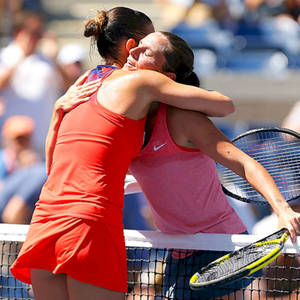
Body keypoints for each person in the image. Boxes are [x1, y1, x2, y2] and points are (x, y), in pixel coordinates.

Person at [10, 7, 235, 300]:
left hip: (45, 221)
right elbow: (224, 105)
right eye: (151, 40)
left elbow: (54, 169)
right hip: (88, 225)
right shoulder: (143, 81)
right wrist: (169, 86)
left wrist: (57, 110)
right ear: (132, 48)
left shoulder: (81, 84)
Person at [0, 11, 61, 154]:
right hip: (13, 142)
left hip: (43, 141)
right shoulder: (5, 56)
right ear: (18, 32)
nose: (36, 38)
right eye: (32, 32)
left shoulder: (47, 58)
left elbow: (67, 84)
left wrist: (55, 58)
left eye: (39, 33)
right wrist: (20, 58)